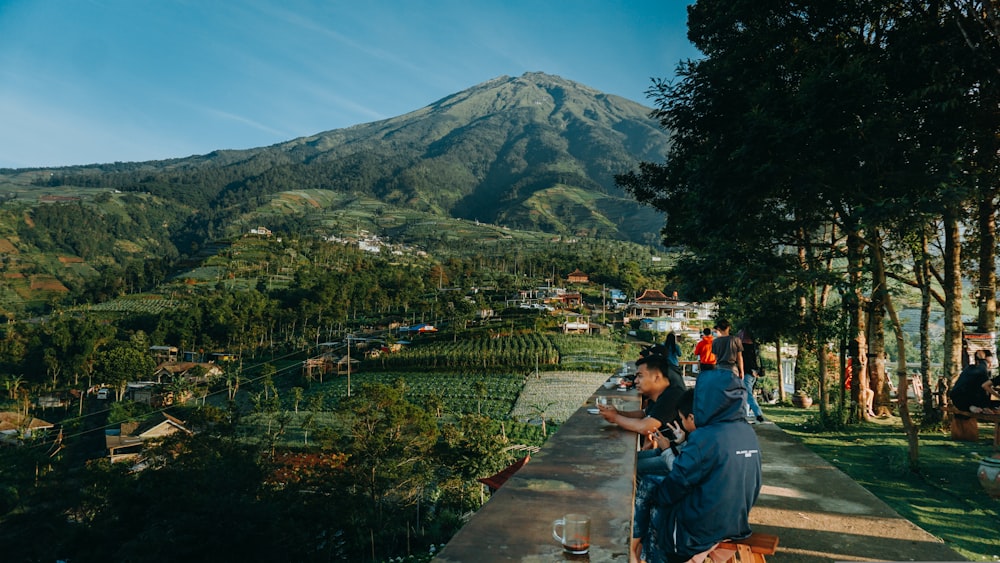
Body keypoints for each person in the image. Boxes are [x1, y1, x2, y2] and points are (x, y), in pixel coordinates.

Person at [645, 369, 763, 563]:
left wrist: (658, 497)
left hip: (700, 531)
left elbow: (678, 482)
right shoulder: (747, 432)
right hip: (736, 522)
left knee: (652, 496)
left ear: (705, 400)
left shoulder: (705, 436)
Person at [632, 389, 695, 563]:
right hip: (677, 461)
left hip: (686, 494)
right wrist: (681, 440)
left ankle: (635, 543)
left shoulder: (703, 439)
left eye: (682, 419)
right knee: (636, 462)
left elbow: (680, 471)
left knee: (646, 481)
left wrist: (667, 448)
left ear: (692, 418)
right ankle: (637, 543)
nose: (681, 422)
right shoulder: (704, 434)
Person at [598, 354, 685, 475]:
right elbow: (644, 414)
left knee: (627, 467)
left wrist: (615, 418)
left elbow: (645, 427)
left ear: (656, 377)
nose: (635, 381)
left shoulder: (673, 396)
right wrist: (617, 413)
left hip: (680, 458)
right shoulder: (664, 393)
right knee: (625, 459)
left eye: (640, 376)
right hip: (669, 449)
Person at [950, 350, 1000, 415]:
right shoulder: (980, 371)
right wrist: (985, 406)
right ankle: (972, 407)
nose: (990, 365)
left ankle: (970, 407)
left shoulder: (968, 369)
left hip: (957, 401)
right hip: (964, 399)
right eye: (988, 362)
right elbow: (984, 388)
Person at [738, 329, 766, 423]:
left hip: (747, 373)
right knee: (746, 394)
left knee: (747, 394)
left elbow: (745, 362)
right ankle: (745, 414)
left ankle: (758, 414)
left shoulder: (743, 349)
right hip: (753, 373)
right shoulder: (755, 348)